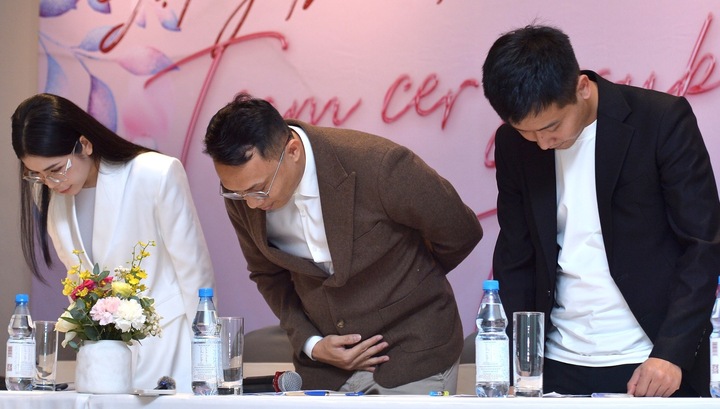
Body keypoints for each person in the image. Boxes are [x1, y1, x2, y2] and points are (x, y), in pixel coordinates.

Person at [482, 24, 720, 397]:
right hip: (557, 363)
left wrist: (672, 352)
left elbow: (703, 243)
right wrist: (519, 362)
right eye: (528, 132)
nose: (542, 143)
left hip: (651, 359)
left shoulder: (660, 120)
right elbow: (516, 254)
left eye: (552, 127)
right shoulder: (513, 144)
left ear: (581, 87)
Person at [202, 93, 482, 394]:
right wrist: (312, 344)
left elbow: (460, 230)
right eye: (236, 193)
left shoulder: (379, 164)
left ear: (292, 151)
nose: (251, 204)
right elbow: (267, 274)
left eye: (260, 189)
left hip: (414, 352)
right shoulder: (243, 193)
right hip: (326, 369)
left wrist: (408, 283)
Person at [11, 93, 215, 393]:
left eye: (56, 169)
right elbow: (79, 283)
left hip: (168, 344)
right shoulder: (53, 198)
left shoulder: (155, 173)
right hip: (102, 359)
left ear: (84, 144)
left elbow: (194, 270)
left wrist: (208, 357)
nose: (51, 183)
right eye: (38, 175)